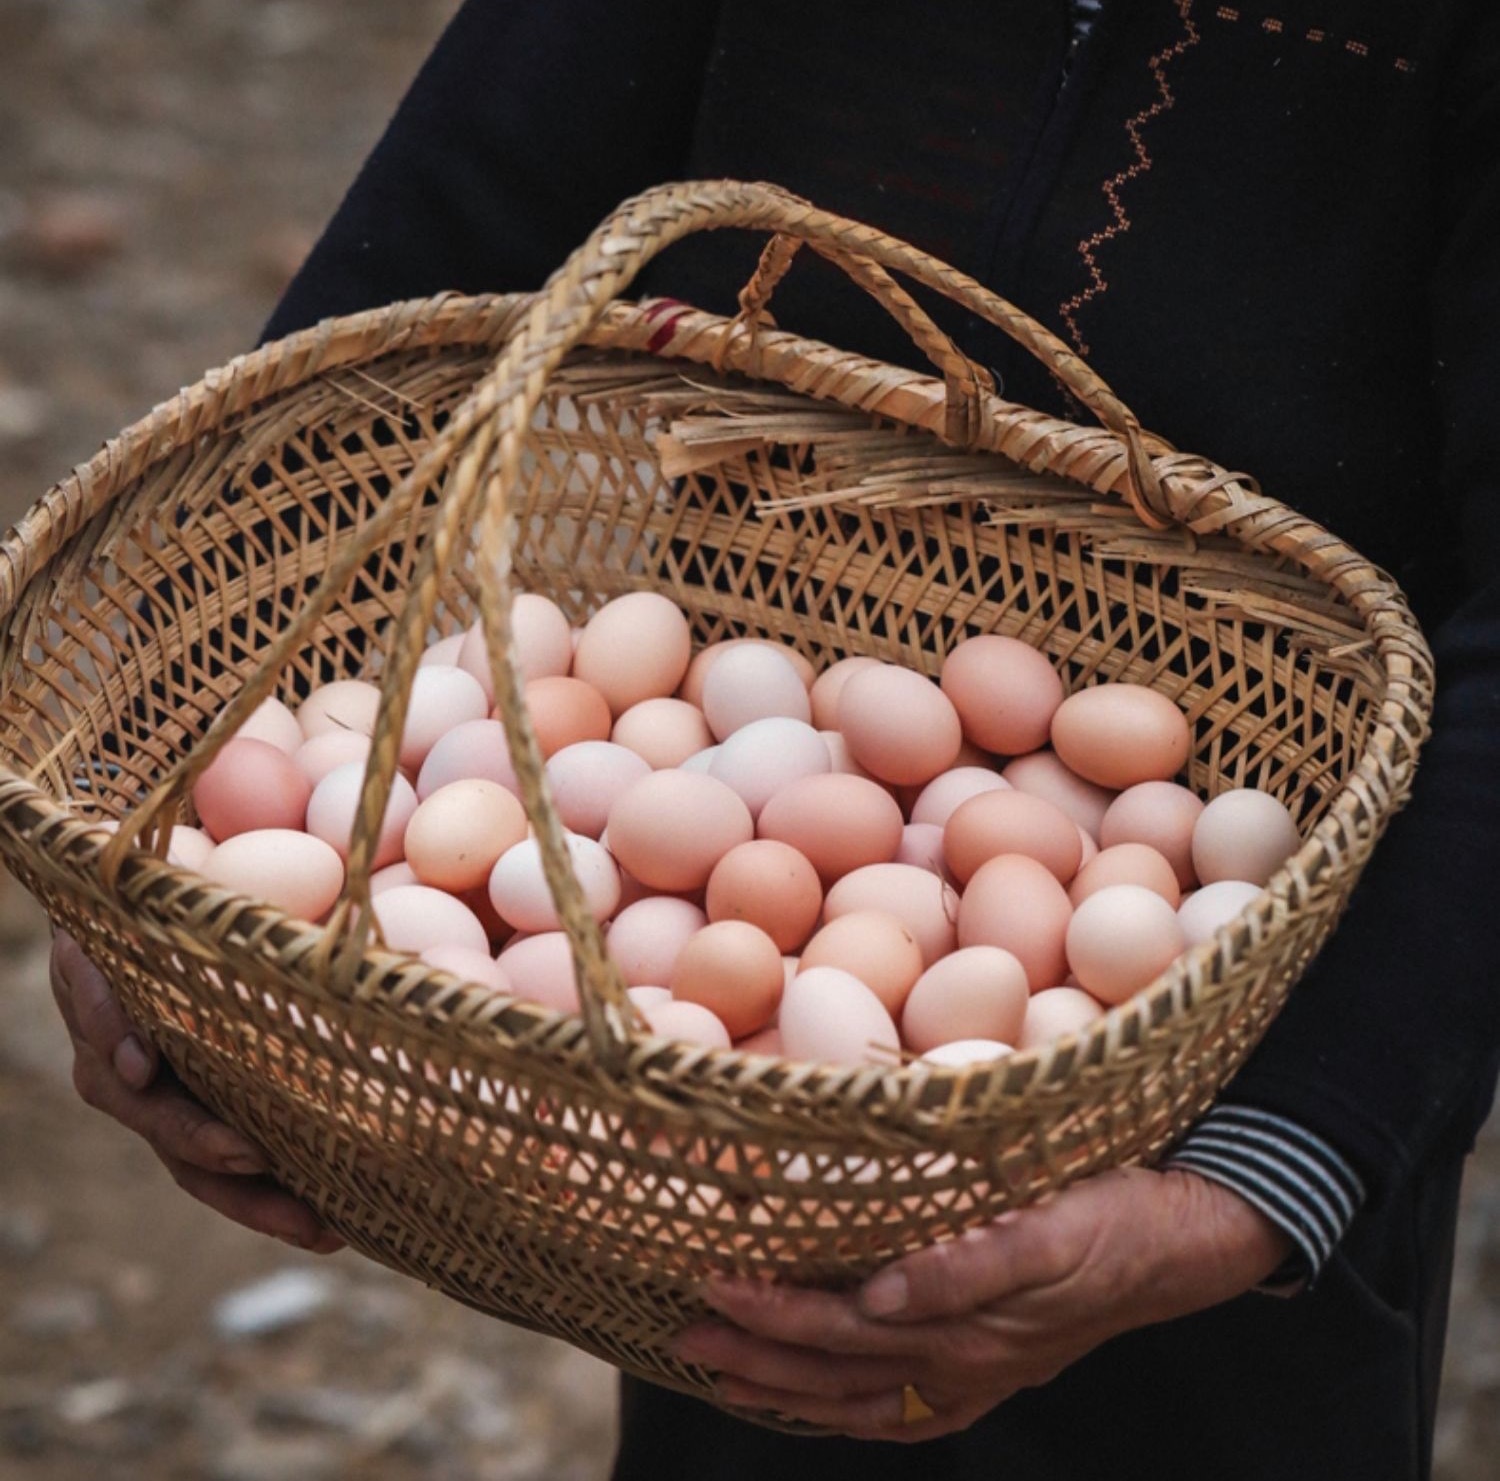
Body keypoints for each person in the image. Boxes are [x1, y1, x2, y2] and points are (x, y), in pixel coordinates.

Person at [49, 2, 1500, 1476]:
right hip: (729, 1007)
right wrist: (153, 794)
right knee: (755, 1372)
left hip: (1269, 983)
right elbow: (444, 232)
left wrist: (1259, 1179)